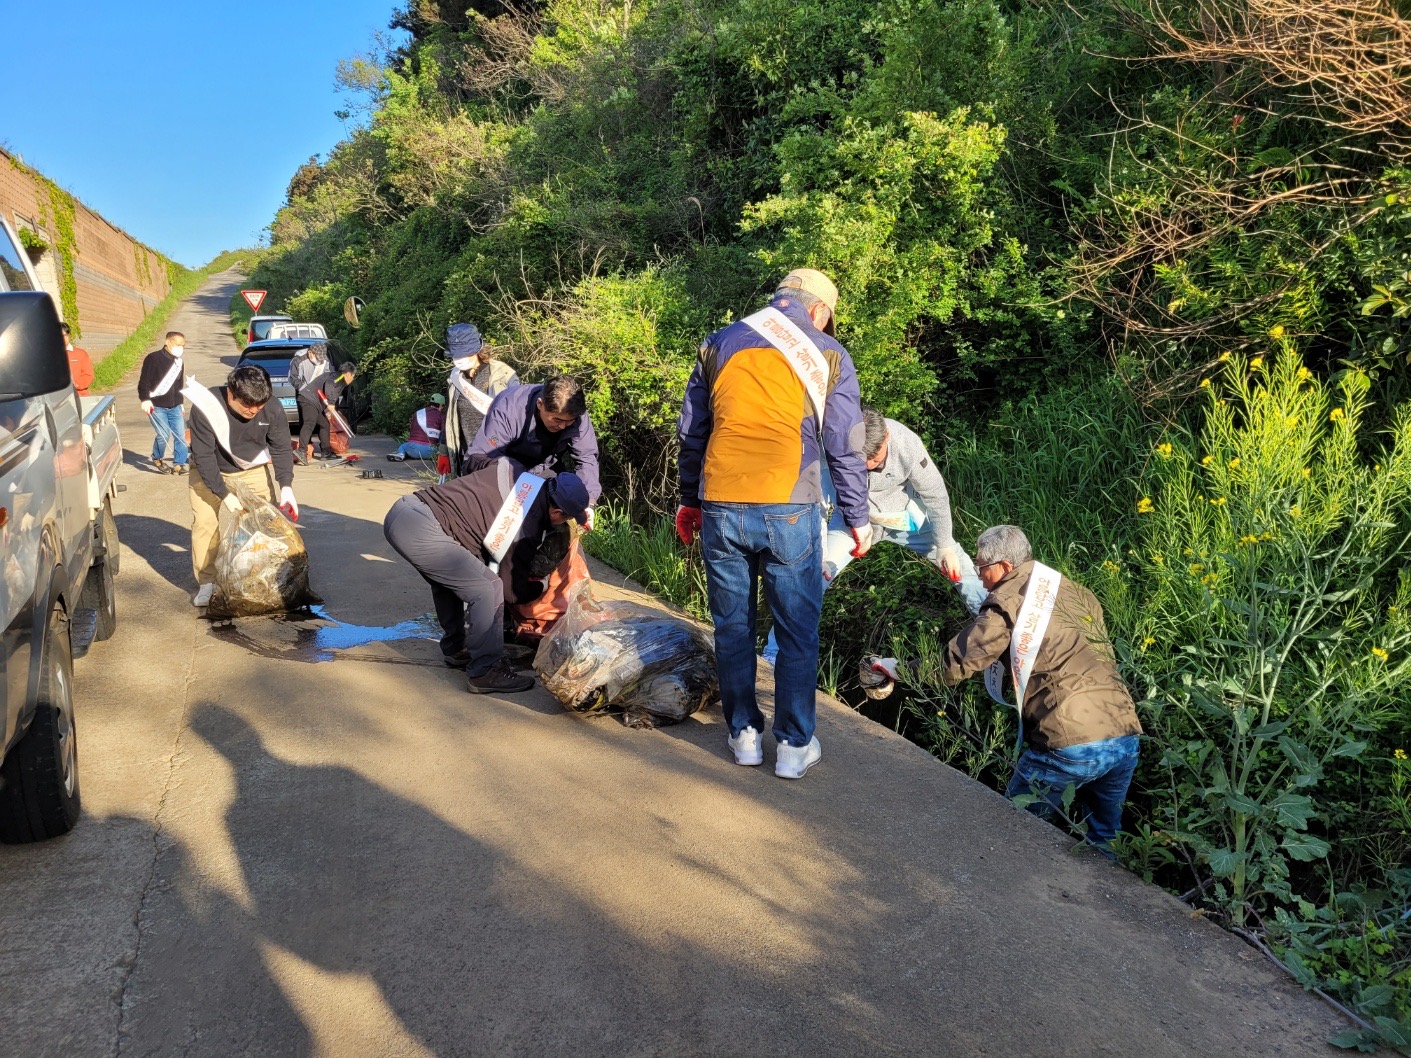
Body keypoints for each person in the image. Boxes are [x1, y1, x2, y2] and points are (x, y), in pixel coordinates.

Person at [676, 267, 871, 780]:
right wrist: (858, 517)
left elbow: (694, 429)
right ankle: (792, 747)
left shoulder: (719, 342)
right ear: (819, 311)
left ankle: (742, 736)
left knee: (733, 626)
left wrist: (687, 500)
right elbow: (845, 443)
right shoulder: (829, 354)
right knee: (797, 632)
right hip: (789, 504)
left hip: (720, 501)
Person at [939, 524, 1142, 852]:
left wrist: (900, 669)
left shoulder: (1008, 598)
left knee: (1010, 835)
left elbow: (956, 664)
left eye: (981, 568)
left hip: (1068, 745)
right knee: (1104, 842)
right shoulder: (1076, 591)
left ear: (1005, 567)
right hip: (1123, 734)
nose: (979, 577)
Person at [762, 408, 986, 664]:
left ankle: (996, 633)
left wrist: (944, 545)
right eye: (860, 459)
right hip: (852, 521)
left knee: (962, 568)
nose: (868, 465)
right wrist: (820, 552)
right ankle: (774, 652)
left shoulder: (906, 443)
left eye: (874, 458)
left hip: (907, 520)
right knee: (812, 575)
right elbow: (817, 501)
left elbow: (935, 494)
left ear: (887, 437)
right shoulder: (833, 442)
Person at [383, 459, 591, 693]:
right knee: (487, 588)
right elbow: (510, 592)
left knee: (453, 579)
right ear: (556, 512)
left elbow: (475, 461)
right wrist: (542, 586)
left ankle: (456, 648)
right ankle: (485, 671)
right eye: (566, 518)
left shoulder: (519, 474)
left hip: (407, 510)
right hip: (421, 530)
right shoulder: (525, 525)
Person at [186, 365, 298, 609]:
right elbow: (203, 456)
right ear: (230, 394)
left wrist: (286, 486)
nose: (253, 411)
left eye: (258, 406)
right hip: (209, 469)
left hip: (252, 469)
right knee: (205, 523)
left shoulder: (271, 407)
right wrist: (224, 495)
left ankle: (266, 576)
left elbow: (280, 447)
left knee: (266, 521)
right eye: (247, 405)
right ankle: (207, 582)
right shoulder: (207, 407)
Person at [468, 375, 601, 522]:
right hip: (502, 468)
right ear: (540, 404)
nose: (563, 426)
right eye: (557, 420)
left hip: (544, 467)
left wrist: (587, 504)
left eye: (569, 422)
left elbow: (587, 458)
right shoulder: (509, 407)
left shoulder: (576, 415)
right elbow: (481, 457)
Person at [440, 323, 518, 476]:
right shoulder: (455, 379)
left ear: (478, 349)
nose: (460, 359)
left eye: (465, 353)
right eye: (456, 355)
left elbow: (518, 419)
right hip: (467, 458)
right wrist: (443, 451)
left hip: (497, 456)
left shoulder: (503, 376)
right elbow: (448, 418)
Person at [291, 344, 356, 464]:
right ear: (348, 374)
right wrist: (330, 404)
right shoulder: (338, 377)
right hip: (308, 399)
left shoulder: (338, 377)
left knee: (324, 424)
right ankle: (301, 450)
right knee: (309, 423)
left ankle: (326, 453)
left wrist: (329, 409)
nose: (353, 379)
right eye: (353, 376)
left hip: (315, 402)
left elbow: (332, 393)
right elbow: (330, 386)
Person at [137, 331, 189, 475]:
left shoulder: (179, 362)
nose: (180, 348)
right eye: (178, 345)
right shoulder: (153, 358)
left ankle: (179, 463)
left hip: (175, 405)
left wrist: (181, 402)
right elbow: (144, 382)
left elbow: (179, 384)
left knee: (180, 435)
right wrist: (145, 399)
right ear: (168, 342)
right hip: (157, 405)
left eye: (183, 345)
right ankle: (157, 457)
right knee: (163, 434)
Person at [388, 393, 445, 462]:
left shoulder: (418, 413)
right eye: (443, 406)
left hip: (411, 449)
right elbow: (443, 434)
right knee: (442, 450)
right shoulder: (441, 415)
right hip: (430, 451)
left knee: (403, 446)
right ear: (440, 405)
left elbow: (412, 430)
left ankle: (401, 454)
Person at [61, 323, 94, 396]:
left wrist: (74, 384)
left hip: (79, 396)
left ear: (69, 336)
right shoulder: (49, 356)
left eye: (65, 335)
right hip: (57, 400)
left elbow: (88, 375)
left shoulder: (81, 354)